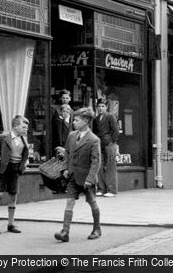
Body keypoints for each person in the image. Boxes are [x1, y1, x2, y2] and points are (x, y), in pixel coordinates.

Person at [54, 107, 102, 242]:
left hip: (87, 179)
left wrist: (90, 179)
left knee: (92, 202)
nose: (73, 122)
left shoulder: (94, 140)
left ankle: (97, 228)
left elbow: (96, 161)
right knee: (69, 202)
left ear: (86, 121)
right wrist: (65, 169)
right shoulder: (71, 135)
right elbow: (67, 154)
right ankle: (65, 232)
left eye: (76, 120)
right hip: (73, 177)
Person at [0, 115, 30, 234]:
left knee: (13, 194)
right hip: (3, 168)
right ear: (15, 126)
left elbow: (24, 154)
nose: (26, 129)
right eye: (24, 127)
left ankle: (11, 223)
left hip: (15, 169)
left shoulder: (23, 139)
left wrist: (24, 163)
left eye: (27, 127)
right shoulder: (4, 137)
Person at [93, 99, 119, 197]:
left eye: (103, 106)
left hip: (109, 145)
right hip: (99, 144)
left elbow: (115, 131)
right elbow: (95, 132)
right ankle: (101, 188)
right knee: (99, 166)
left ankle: (111, 190)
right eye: (99, 106)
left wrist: (112, 141)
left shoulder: (110, 116)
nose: (100, 108)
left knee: (110, 167)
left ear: (106, 107)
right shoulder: (95, 119)